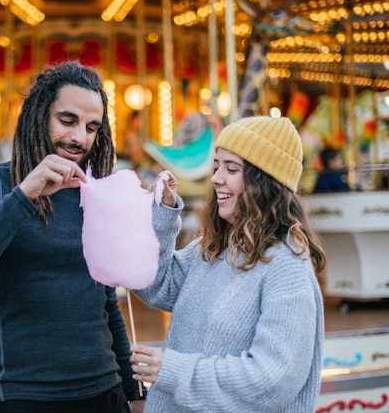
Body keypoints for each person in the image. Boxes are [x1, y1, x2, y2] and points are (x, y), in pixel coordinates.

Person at [0, 61, 145, 413]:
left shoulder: (91, 192)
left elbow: (106, 301)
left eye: (92, 127)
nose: (81, 137)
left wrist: (133, 389)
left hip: (103, 391)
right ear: (38, 115)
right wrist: (23, 195)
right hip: (22, 395)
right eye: (68, 120)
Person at [130, 116, 326, 412]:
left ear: (265, 183)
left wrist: (174, 371)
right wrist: (164, 214)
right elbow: (157, 284)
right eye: (216, 166)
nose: (216, 178)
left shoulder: (288, 269)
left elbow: (272, 379)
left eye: (231, 169)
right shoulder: (217, 247)